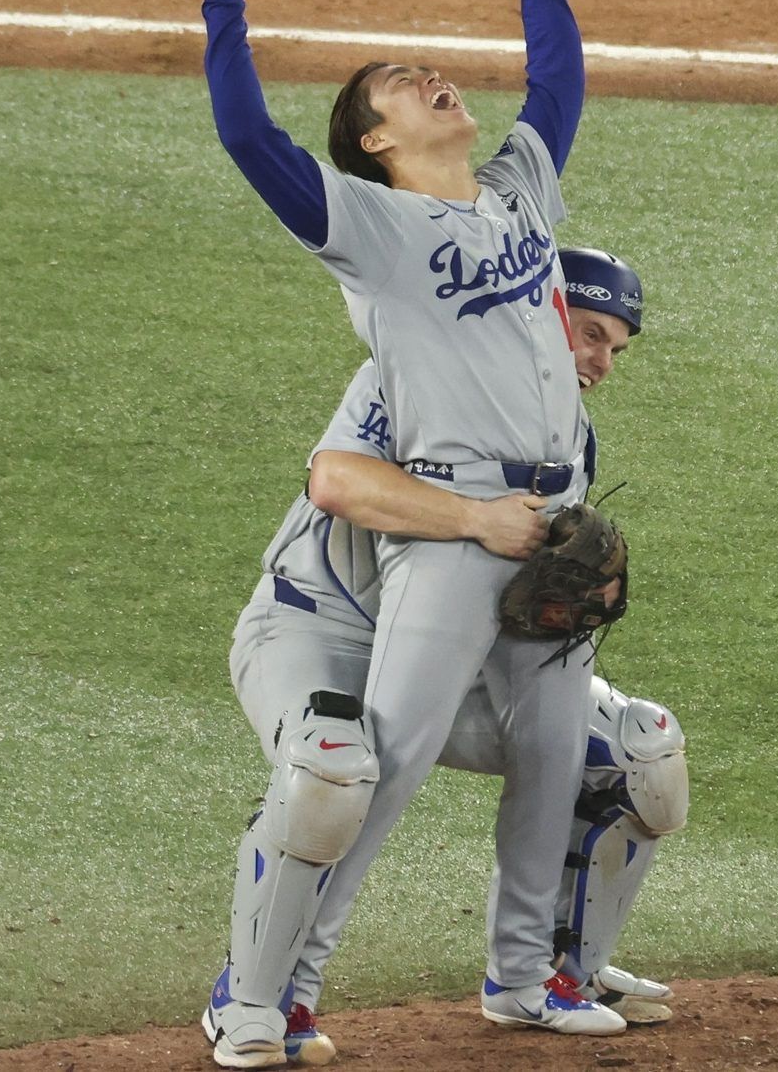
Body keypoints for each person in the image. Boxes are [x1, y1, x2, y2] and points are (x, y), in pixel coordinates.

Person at [190, 0, 615, 1064]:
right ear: (376, 142)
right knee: (385, 764)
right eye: (400, 85)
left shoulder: (519, 191)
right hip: (449, 523)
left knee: (549, 747)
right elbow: (248, 140)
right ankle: (274, 988)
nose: (435, 78)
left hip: (552, 510)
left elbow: (559, 82)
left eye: (430, 68)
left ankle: (524, 979)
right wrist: (225, 6)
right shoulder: (370, 232)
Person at [204, 249, 689, 1068]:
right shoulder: (416, 375)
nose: (601, 360)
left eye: (618, 347)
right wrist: (473, 517)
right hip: (314, 631)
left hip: (448, 654)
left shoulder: (568, 432)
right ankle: (254, 1000)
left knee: (638, 753)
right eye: (592, 333)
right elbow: (339, 483)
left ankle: (545, 975)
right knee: (333, 769)